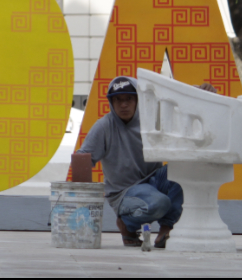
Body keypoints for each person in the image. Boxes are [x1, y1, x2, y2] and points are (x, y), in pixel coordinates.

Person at [76, 76, 184, 248]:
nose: (123, 104)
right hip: (124, 192)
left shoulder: (151, 120)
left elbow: (174, 104)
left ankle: (166, 229)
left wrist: (199, 90)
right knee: (160, 202)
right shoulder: (104, 126)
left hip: (154, 179)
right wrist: (78, 200)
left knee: (184, 171)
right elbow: (82, 158)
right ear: (111, 103)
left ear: (137, 100)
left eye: (128, 99)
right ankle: (127, 224)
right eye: (118, 100)